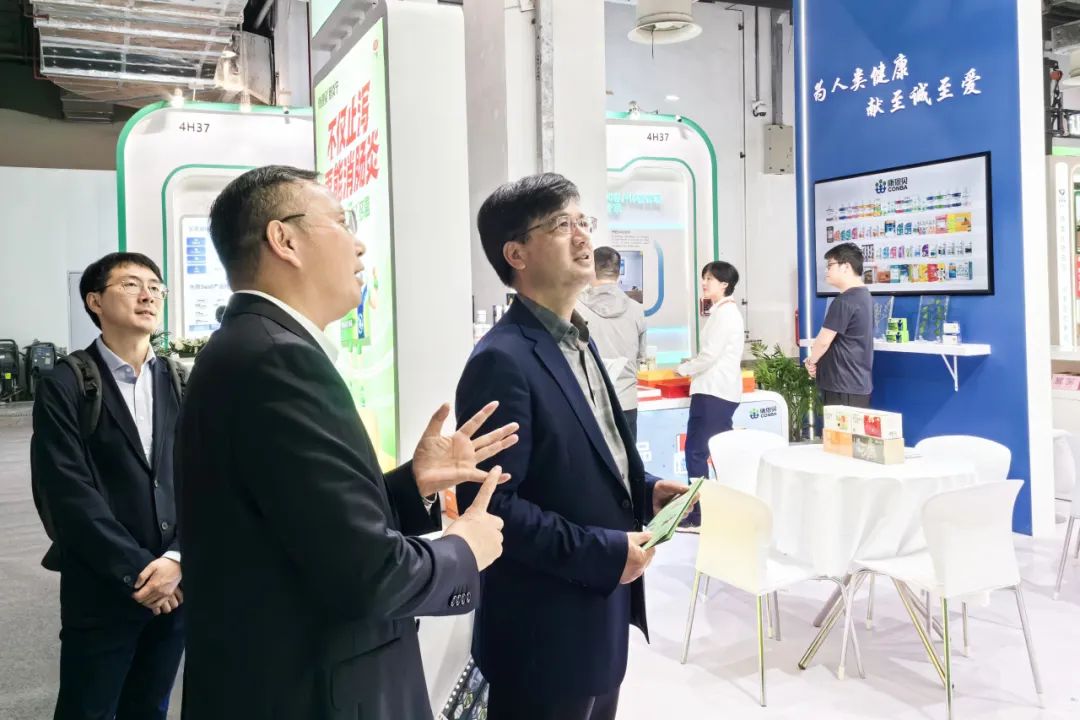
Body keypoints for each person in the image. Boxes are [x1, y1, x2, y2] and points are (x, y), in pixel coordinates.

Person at [176, 165, 516, 720]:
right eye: (341, 222)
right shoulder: (278, 359)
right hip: (313, 689)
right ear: (284, 240)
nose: (358, 245)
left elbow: (300, 524)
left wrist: (411, 485)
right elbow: (369, 576)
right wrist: (464, 549)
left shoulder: (251, 345)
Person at [455, 172, 691, 720]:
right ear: (516, 253)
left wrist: (645, 490)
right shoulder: (501, 360)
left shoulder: (579, 341)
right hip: (543, 633)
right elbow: (492, 507)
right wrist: (603, 552)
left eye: (584, 221)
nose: (583, 236)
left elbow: (588, 456)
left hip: (595, 617)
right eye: (562, 225)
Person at [31, 252, 186, 720]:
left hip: (174, 589)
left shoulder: (180, 380)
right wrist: (139, 572)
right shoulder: (66, 383)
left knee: (150, 707)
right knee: (88, 708)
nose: (148, 295)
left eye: (156, 287)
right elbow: (68, 491)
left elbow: (205, 479)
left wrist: (177, 559)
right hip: (103, 587)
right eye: (132, 284)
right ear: (94, 301)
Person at [675, 261, 745, 526]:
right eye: (703, 277)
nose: (704, 283)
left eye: (710, 279)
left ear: (724, 284)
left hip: (713, 392)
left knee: (696, 452)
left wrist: (683, 369)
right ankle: (718, 510)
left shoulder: (724, 314)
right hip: (719, 391)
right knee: (715, 452)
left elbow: (709, 355)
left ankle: (698, 514)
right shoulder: (723, 312)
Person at [577, 246, 647, 440]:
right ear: (618, 273)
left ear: (591, 269)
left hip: (589, 403)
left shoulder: (575, 307)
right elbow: (641, 357)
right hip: (626, 402)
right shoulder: (636, 310)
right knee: (627, 457)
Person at [805, 242, 874, 408]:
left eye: (830, 265)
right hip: (856, 384)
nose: (826, 271)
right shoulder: (864, 296)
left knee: (839, 427)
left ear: (846, 267)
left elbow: (823, 341)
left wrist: (811, 361)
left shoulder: (844, 301)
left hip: (842, 385)